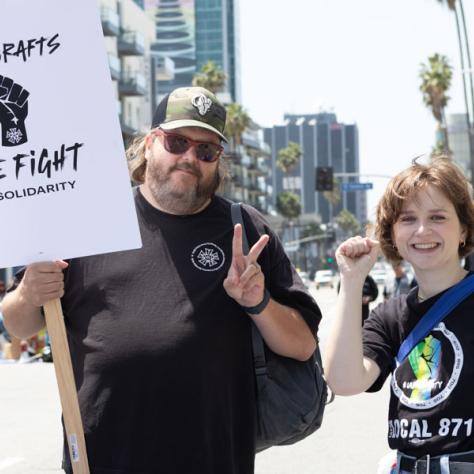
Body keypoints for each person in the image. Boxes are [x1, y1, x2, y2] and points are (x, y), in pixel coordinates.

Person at [2, 86, 321, 474]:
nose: (190, 158)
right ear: (150, 142)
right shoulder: (86, 220)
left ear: (217, 161)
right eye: (177, 142)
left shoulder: (246, 229)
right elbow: (19, 325)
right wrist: (29, 293)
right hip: (100, 461)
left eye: (206, 151)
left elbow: (303, 346)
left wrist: (258, 302)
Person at [324, 156, 474, 473]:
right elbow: (344, 381)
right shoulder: (390, 316)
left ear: (463, 229)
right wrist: (351, 282)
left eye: (437, 217)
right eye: (407, 219)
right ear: (392, 234)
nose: (422, 230)